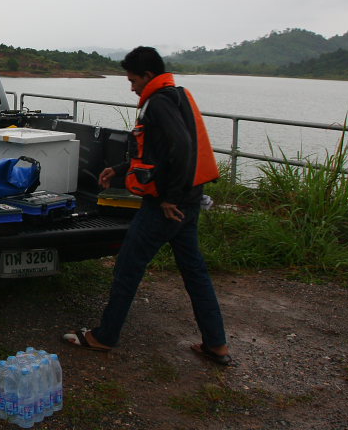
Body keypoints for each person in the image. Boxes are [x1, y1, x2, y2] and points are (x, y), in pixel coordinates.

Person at [63, 46, 232, 365]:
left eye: (133, 80)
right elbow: (157, 153)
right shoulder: (176, 97)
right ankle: (217, 344)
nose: (131, 87)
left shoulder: (157, 103)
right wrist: (121, 171)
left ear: (148, 76)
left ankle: (104, 336)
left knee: (127, 267)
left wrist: (170, 198)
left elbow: (180, 148)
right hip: (191, 201)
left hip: (165, 207)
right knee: (195, 272)